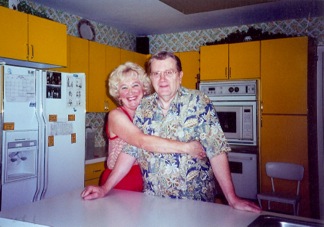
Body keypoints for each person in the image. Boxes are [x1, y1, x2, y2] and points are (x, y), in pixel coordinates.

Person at [81, 53, 261, 213]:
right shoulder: (143, 107)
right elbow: (131, 150)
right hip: (153, 200)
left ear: (180, 76)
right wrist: (105, 188)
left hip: (194, 201)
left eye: (169, 72)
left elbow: (216, 150)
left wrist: (232, 198)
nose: (162, 79)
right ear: (150, 78)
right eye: (157, 73)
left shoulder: (198, 102)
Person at [99, 62, 206, 192]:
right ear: (118, 95)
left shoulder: (150, 115)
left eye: (135, 85)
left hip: (148, 183)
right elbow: (141, 141)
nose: (130, 92)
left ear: (144, 89)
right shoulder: (116, 116)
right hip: (120, 183)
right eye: (124, 88)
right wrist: (187, 147)